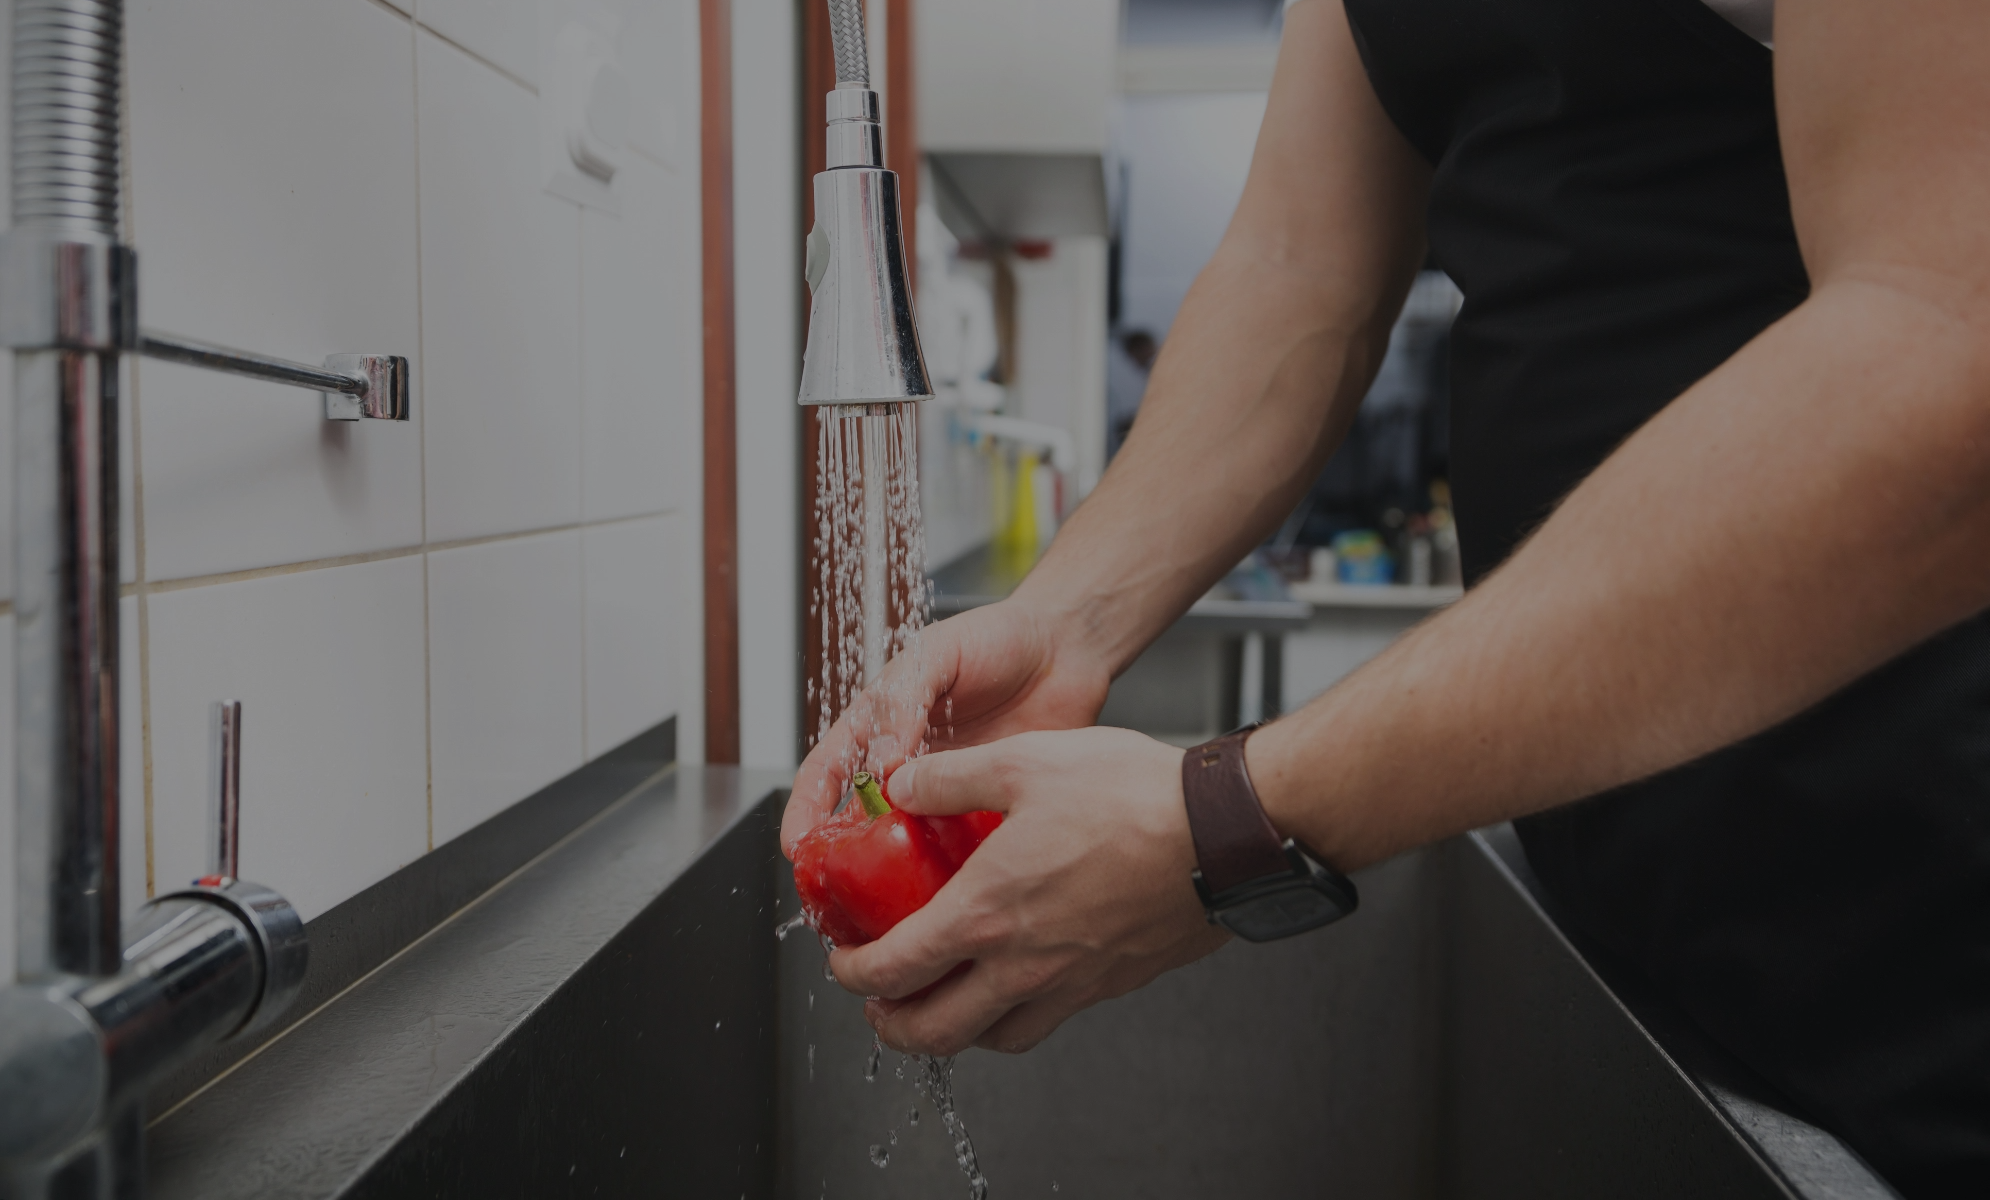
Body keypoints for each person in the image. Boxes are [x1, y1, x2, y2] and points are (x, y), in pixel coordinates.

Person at [784, 0, 1990, 1192]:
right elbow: (1301, 268)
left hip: (1921, 955)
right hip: (1651, 954)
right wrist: (1067, 623)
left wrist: (1228, 820)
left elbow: (1946, 346)